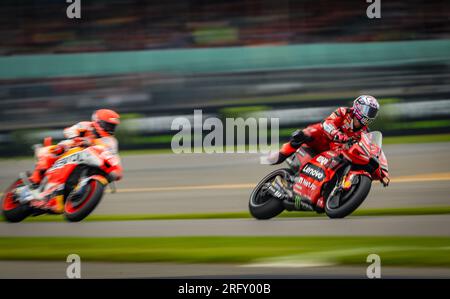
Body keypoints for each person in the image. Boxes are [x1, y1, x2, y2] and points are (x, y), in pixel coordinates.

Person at [265, 95, 390, 202]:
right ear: (358, 107)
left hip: (334, 151)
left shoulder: (364, 132)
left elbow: (374, 151)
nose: (369, 115)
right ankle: (278, 155)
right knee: (302, 135)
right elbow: (327, 124)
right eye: (368, 110)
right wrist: (340, 136)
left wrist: (383, 173)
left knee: (344, 161)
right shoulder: (343, 112)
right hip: (321, 137)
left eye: (372, 112)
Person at [17, 109, 122, 212]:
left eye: (112, 126)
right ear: (98, 122)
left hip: (90, 158)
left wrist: (117, 170)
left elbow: (113, 156)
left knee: (101, 171)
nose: (110, 128)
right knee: (56, 150)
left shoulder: (111, 141)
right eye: (108, 125)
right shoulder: (86, 125)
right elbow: (69, 130)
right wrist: (76, 138)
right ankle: (34, 182)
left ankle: (71, 192)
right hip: (71, 148)